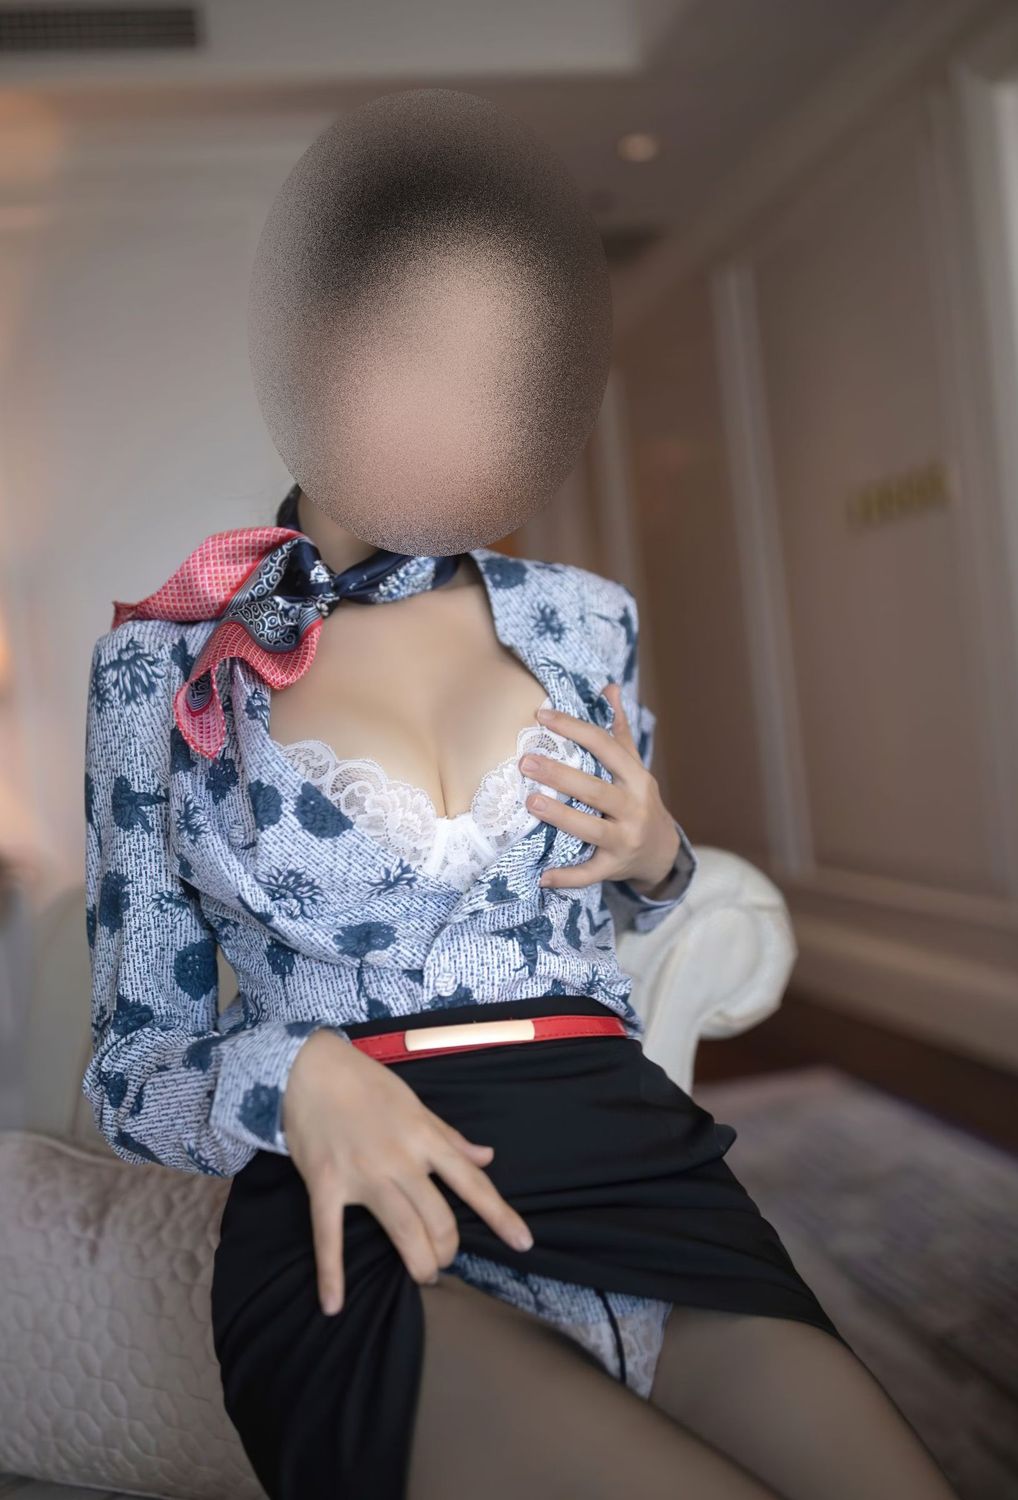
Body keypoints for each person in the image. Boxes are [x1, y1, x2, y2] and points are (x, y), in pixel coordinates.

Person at [82, 88, 960, 1500]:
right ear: (318, 351)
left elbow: (625, 917)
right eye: (419, 353)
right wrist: (291, 1072)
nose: (463, 413)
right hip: (361, 1206)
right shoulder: (162, 663)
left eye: (500, 374)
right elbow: (130, 1067)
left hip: (625, 1156)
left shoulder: (582, 619)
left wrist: (663, 857)